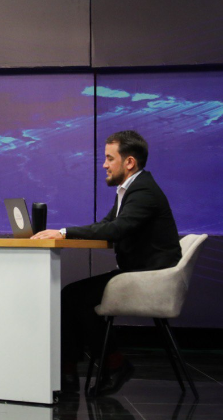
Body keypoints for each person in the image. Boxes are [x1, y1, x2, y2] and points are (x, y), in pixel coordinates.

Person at [32, 130, 181, 395]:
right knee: (74, 296)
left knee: (75, 297)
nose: (104, 165)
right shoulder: (131, 188)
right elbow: (106, 226)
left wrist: (64, 233)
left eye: (110, 158)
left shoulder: (143, 191)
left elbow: (116, 229)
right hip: (138, 272)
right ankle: (72, 373)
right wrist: (66, 232)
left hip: (150, 277)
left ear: (129, 162)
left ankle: (107, 366)